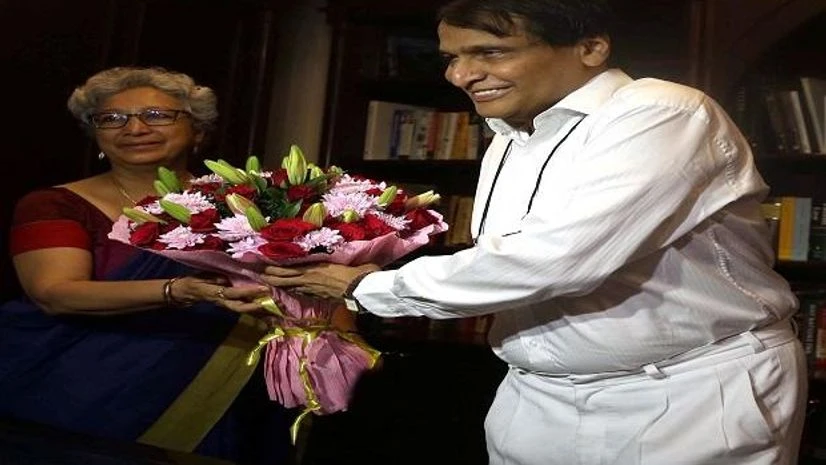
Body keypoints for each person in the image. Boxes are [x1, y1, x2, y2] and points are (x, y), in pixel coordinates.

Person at [260, 1, 809, 464]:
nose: (460, 75)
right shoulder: (508, 133)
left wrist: (363, 287)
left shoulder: (664, 111)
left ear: (590, 49)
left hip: (683, 393)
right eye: (453, 57)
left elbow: (557, 259)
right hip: (534, 394)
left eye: (491, 52)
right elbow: (499, 253)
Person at [0, 66, 294, 464]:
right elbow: (55, 294)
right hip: (83, 398)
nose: (134, 128)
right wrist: (179, 290)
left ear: (198, 131)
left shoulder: (251, 204)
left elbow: (302, 285)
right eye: (112, 119)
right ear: (97, 135)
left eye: (157, 115)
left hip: (221, 387)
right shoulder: (54, 205)